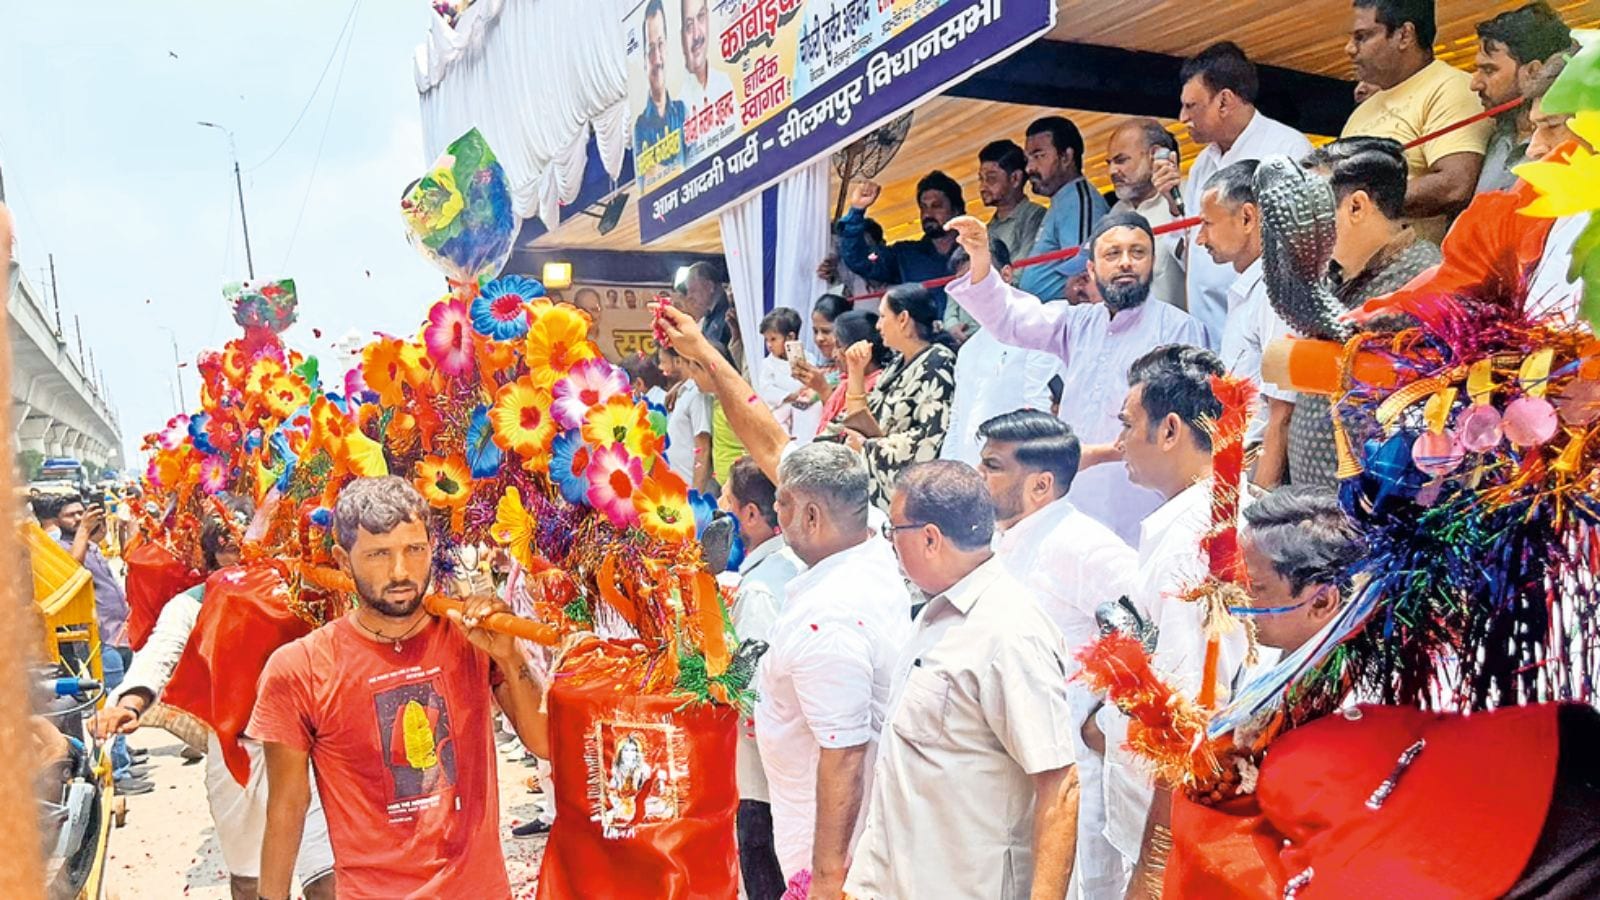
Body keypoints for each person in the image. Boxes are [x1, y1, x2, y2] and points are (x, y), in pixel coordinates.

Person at [250, 476, 547, 900]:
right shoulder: (299, 667)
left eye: (414, 549)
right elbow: (287, 806)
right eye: (378, 555)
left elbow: (544, 744)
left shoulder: (471, 636)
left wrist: (511, 655)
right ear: (341, 559)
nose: (401, 572)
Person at [844, 461, 1079, 900]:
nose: (890, 545)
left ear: (930, 538)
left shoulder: (1009, 630)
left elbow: (1059, 785)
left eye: (894, 532)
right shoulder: (935, 613)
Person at [92, 495, 336, 900]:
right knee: (248, 881)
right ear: (209, 550)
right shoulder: (191, 604)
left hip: (304, 752)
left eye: (242, 538)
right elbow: (161, 651)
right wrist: (129, 701)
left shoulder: (300, 588)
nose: (235, 548)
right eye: (223, 542)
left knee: (325, 878)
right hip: (233, 753)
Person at [1098, 344, 1267, 897]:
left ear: (1169, 430)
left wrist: (1154, 868)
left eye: (1128, 425)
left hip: (1181, 825)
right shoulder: (1216, 510)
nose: (1120, 441)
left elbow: (1189, 721)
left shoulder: (1196, 540)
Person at [944, 211, 1208, 546]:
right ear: (1092, 269)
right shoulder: (1076, 323)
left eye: (1137, 252)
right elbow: (1010, 317)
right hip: (1077, 491)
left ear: (1152, 262)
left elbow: (1191, 433)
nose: (1126, 263)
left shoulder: (1179, 329)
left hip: (1145, 498)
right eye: (1113, 254)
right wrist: (981, 256)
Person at [977, 410, 1138, 900]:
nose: (978, 478)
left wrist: (1101, 723)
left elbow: (1151, 632)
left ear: (1041, 486)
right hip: (1013, 774)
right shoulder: (1004, 541)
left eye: (992, 466)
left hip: (1074, 780)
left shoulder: (1084, 545)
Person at [756, 443, 912, 896]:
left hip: (832, 845)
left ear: (811, 517)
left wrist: (825, 878)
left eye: (782, 502)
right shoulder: (871, 539)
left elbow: (844, 753)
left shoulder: (830, 619)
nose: (774, 510)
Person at [1290, 137, 1441, 489]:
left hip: (1379, 513)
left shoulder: (1423, 281)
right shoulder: (1332, 276)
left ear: (1356, 207)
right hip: (1317, 504)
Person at [1179, 41, 1314, 347]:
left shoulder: (1288, 150)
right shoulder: (1201, 164)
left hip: (1264, 331)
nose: (1182, 118)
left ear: (1224, 101)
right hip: (1207, 334)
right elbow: (1192, 245)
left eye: (1191, 106)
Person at [717, 458, 802, 900]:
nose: (718, 507)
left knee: (765, 869)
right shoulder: (790, 565)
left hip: (761, 774)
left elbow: (751, 681)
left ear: (751, 514)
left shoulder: (760, 588)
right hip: (784, 768)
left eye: (727, 500)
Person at [1342, 0, 1493, 242]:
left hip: (1413, 271)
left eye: (1363, 37)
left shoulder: (1450, 87)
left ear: (1404, 35)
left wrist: (1359, 202)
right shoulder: (1363, 110)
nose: (1350, 48)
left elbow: (1455, 185)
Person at [1195, 160, 1295, 486]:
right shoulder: (1255, 288)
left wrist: (1259, 512)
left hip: (1258, 477)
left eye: (1208, 223)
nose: (1200, 238)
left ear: (1248, 217)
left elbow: (1282, 412)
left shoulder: (1277, 290)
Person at [940, 242, 1061, 468]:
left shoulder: (1037, 327)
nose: (972, 290)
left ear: (1006, 274)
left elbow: (1040, 410)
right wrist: (947, 471)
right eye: (964, 283)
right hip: (970, 476)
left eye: (977, 279)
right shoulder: (968, 348)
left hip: (1017, 470)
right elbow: (957, 421)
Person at [837, 284, 957, 511]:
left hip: (908, 493)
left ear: (903, 319)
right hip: (869, 476)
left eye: (883, 316)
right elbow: (860, 416)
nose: (878, 325)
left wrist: (869, 446)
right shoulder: (895, 365)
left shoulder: (938, 361)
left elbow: (929, 438)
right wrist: (855, 371)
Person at [50, 494, 142, 791]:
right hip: (100, 637)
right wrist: (83, 530)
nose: (78, 519)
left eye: (81, 513)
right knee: (110, 700)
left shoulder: (88, 544)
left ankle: (123, 755)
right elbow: (70, 570)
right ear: (54, 520)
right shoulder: (60, 547)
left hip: (118, 632)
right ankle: (119, 773)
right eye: (71, 516)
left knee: (120, 695)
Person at [1471, 2, 1573, 195]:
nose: (1474, 83)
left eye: (1489, 70)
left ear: (1534, 72)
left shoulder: (1563, 141)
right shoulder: (1496, 134)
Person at [838, 171, 965, 314]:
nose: (928, 214)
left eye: (936, 206)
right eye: (923, 207)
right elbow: (859, 260)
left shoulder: (974, 250)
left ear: (956, 210)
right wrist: (857, 211)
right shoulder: (906, 255)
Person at [1018, 115, 1110, 302]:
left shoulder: (1079, 201)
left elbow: (1084, 277)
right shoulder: (1062, 200)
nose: (1029, 168)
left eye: (1039, 156)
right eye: (1028, 158)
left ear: (1066, 157)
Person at [1107, 118, 1189, 312]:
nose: (1112, 171)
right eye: (1109, 163)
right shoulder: (1116, 212)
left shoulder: (1189, 197)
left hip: (1179, 335)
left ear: (1154, 155)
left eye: (1121, 160)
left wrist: (1175, 206)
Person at [632, 0, 686, 171]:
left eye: (660, 44)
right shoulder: (640, 128)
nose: (657, 59)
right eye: (650, 49)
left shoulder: (682, 111)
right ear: (643, 59)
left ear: (668, 47)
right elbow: (647, 178)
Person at [977, 139, 1048, 264]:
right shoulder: (988, 229)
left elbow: (1024, 268)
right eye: (981, 179)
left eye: (991, 178)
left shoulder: (1035, 217)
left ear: (1015, 178)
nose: (982, 187)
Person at [754, 307, 820, 441]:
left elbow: (816, 383)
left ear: (790, 337)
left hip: (804, 409)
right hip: (781, 409)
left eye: (773, 339)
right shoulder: (768, 364)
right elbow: (766, 389)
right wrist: (790, 396)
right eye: (766, 340)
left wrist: (806, 391)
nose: (769, 345)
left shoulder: (809, 359)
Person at [658, 344, 714, 491]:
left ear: (678, 361)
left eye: (663, 361)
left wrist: (696, 494)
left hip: (690, 487)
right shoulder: (681, 393)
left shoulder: (697, 394)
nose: (660, 367)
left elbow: (703, 447)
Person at [679, 0, 734, 145]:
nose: (697, 35)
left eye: (701, 17)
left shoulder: (724, 83)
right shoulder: (678, 108)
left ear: (708, 20)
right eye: (689, 25)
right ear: (682, 38)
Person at [787, 293, 851, 418]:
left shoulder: (856, 375)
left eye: (826, 331)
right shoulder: (823, 370)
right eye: (815, 331)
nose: (819, 338)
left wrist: (822, 388)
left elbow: (842, 420)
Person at [682, 261, 733, 347]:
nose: (689, 297)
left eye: (693, 290)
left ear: (710, 286)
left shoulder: (730, 315)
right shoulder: (708, 317)